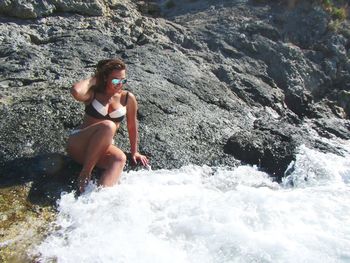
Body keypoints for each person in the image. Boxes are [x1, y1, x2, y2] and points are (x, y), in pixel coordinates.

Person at [66, 58, 149, 193]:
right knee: (108, 126)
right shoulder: (93, 94)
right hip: (79, 145)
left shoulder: (127, 98)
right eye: (116, 80)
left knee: (120, 158)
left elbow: (132, 126)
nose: (120, 83)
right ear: (105, 77)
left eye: (123, 80)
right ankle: (85, 172)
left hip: (101, 149)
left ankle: (99, 199)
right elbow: (76, 91)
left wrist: (134, 151)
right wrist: (94, 79)